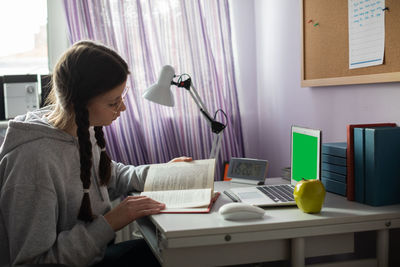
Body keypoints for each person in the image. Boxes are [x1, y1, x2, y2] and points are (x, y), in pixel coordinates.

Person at [0, 40, 191, 267]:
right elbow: (33, 262)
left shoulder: (80, 128)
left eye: (122, 97)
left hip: (95, 255)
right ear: (80, 103)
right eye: (113, 102)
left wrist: (162, 173)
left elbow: (108, 175)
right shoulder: (31, 163)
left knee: (174, 251)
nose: (122, 108)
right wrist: (110, 222)